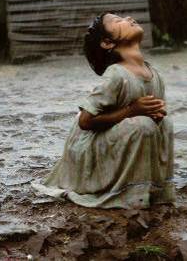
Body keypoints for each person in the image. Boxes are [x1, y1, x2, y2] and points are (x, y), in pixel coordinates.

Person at [32, 12, 175, 209]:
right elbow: (85, 121)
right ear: (107, 42)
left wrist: (158, 114)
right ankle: (125, 192)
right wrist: (131, 111)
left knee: (165, 125)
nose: (129, 18)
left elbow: (156, 112)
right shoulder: (116, 74)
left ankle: (153, 188)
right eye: (118, 21)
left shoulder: (154, 74)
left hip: (121, 137)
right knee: (142, 125)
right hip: (90, 144)